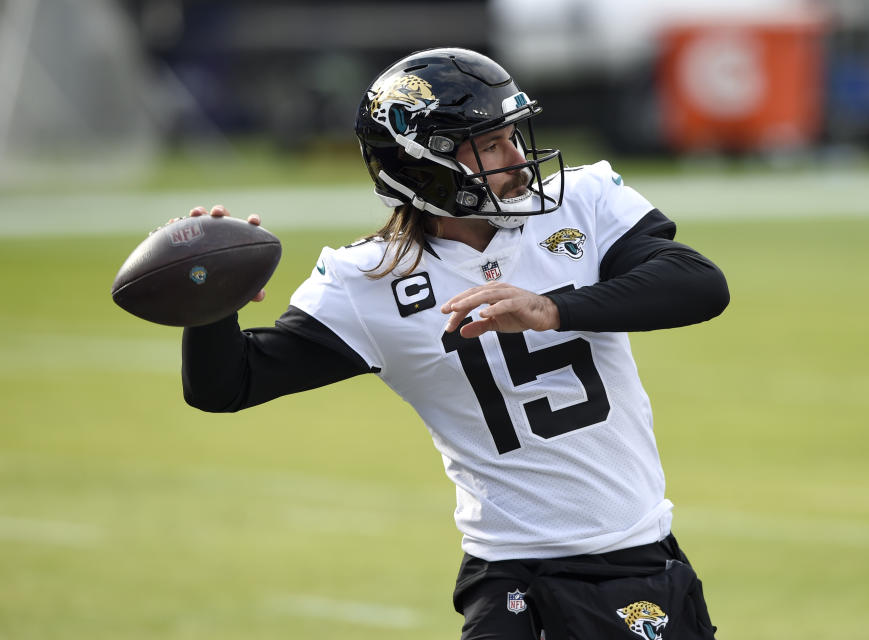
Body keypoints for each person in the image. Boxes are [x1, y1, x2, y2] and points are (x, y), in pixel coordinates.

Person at [181, 48, 728, 639]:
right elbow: (224, 385)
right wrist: (209, 304)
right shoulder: (367, 282)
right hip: (509, 574)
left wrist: (552, 308)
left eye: (512, 134)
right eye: (490, 144)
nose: (517, 158)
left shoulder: (582, 201)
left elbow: (698, 284)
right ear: (423, 165)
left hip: (634, 560)